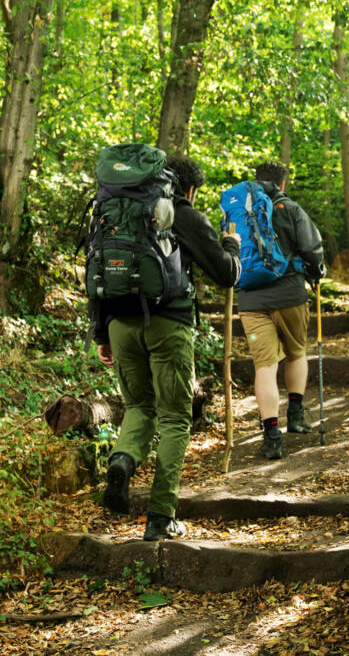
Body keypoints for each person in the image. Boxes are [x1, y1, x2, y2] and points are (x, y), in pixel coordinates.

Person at [95, 154, 241, 541]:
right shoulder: (183, 214)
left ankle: (123, 460)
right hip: (168, 324)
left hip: (120, 324)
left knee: (139, 407)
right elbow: (226, 273)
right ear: (189, 188)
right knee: (174, 418)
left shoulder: (114, 210)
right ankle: (160, 517)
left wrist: (100, 334)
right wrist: (232, 246)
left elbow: (98, 268)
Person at [238, 162, 324, 460]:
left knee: (264, 366)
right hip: (290, 294)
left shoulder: (240, 208)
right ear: (282, 184)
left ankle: (271, 436)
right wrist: (316, 271)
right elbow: (312, 249)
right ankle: (297, 417)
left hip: (250, 300)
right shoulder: (291, 209)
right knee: (296, 352)